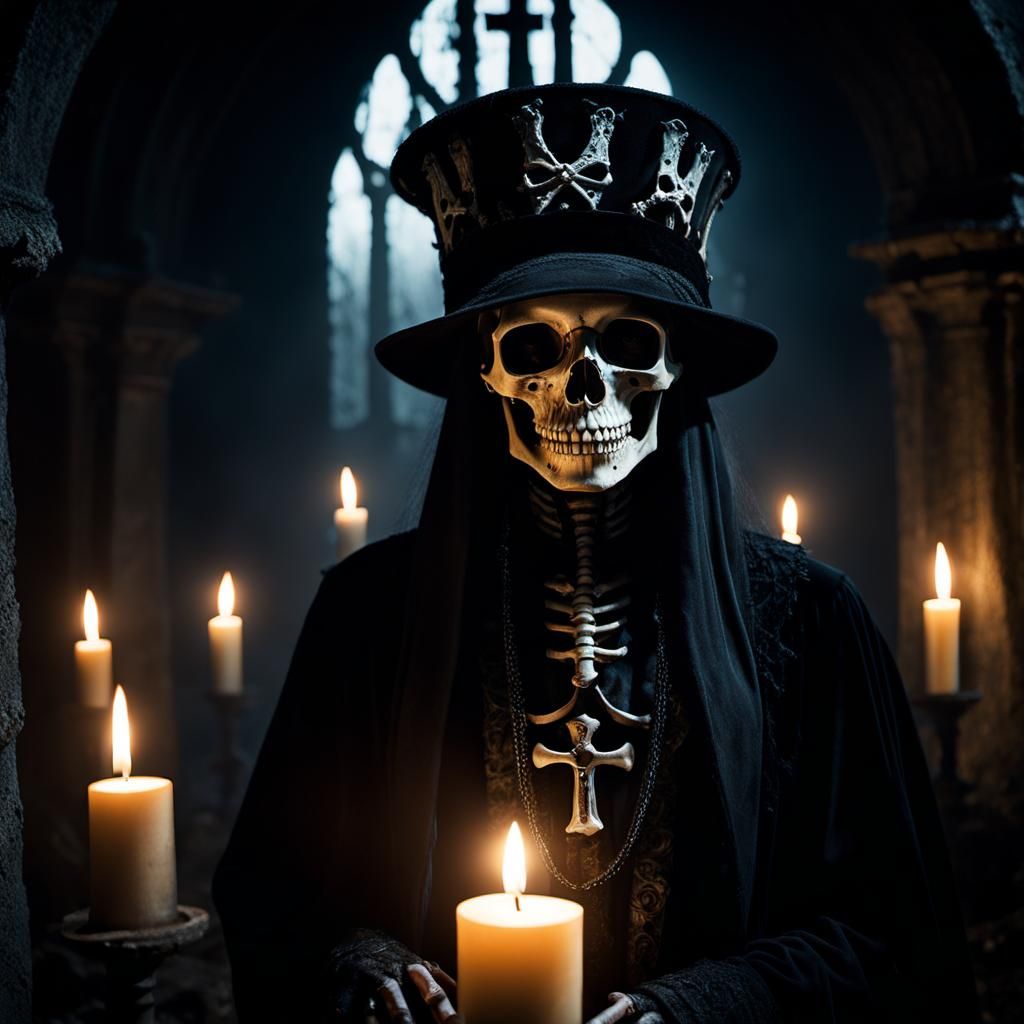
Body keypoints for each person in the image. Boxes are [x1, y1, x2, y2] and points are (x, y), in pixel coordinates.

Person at [214, 83, 978, 1023]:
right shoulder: (372, 614)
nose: (584, 390)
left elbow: (898, 936)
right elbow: (274, 894)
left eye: (625, 345)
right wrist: (359, 959)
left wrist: (708, 1004)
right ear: (486, 376)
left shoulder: (811, 624)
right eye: (535, 347)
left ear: (678, 369)